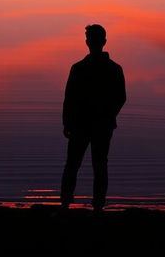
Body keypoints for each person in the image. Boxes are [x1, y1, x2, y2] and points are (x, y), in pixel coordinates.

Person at [60, 24, 126, 213]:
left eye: (91, 38)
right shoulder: (112, 69)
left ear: (88, 42)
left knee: (75, 164)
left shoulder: (79, 68)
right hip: (97, 125)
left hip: (85, 124)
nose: (91, 41)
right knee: (96, 165)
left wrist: (67, 122)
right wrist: (108, 116)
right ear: (102, 42)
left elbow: (69, 98)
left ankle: (67, 204)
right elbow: (120, 98)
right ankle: (97, 205)